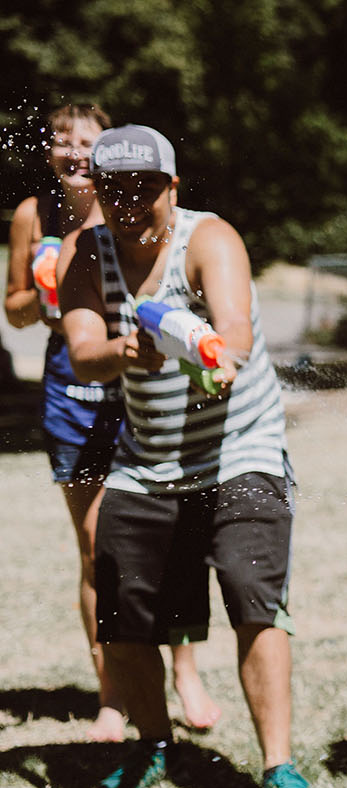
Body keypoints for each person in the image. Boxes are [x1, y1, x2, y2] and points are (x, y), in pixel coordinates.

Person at [57, 125, 324, 788]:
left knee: (250, 588)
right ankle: (151, 744)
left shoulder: (209, 239)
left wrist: (213, 356)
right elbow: (84, 354)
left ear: (172, 187)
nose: (128, 198)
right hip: (148, 460)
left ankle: (279, 767)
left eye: (144, 185)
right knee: (123, 605)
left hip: (243, 445)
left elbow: (233, 327)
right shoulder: (87, 252)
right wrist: (126, 350)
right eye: (113, 185)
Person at [5, 104, 220, 743]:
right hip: (71, 393)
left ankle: (184, 671)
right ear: (50, 152)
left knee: (169, 535)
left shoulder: (134, 205)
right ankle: (112, 694)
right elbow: (13, 308)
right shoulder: (32, 216)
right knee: (97, 548)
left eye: (87, 142)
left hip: (139, 392)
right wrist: (53, 300)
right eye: (62, 141)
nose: (74, 152)